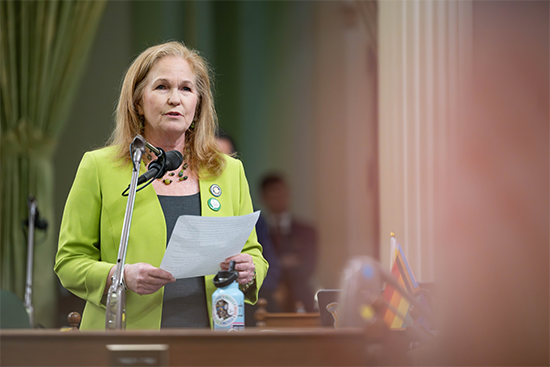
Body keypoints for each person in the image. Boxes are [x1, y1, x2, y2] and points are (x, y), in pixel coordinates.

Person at [54, 41, 268, 330]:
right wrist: (121, 276)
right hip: (125, 338)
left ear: (198, 103)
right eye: (162, 87)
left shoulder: (228, 171)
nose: (175, 99)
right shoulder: (100, 167)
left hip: (214, 340)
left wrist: (250, 268)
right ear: (138, 102)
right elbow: (69, 262)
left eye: (186, 89)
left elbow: (254, 253)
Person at [215, 130, 281, 323]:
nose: (221, 166)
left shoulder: (253, 218)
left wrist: (248, 274)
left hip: (242, 304)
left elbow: (267, 265)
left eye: (227, 158)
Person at [260, 173, 317, 312]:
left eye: (281, 191)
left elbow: (309, 266)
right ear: (264, 198)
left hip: (301, 300)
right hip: (267, 301)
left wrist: (273, 263)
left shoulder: (307, 231)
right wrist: (282, 262)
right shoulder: (258, 232)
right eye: (273, 193)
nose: (279, 197)